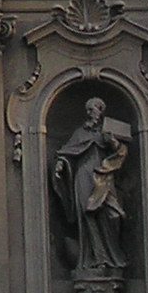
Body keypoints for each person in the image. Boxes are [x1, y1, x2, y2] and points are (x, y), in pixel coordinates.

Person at [50, 96, 131, 274]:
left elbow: (121, 152)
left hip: (103, 177)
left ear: (100, 111)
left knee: (113, 215)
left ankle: (112, 257)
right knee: (87, 218)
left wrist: (113, 142)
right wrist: (61, 163)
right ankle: (94, 259)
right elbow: (66, 151)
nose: (89, 113)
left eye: (92, 109)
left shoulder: (107, 131)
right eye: (87, 109)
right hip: (83, 177)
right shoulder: (80, 132)